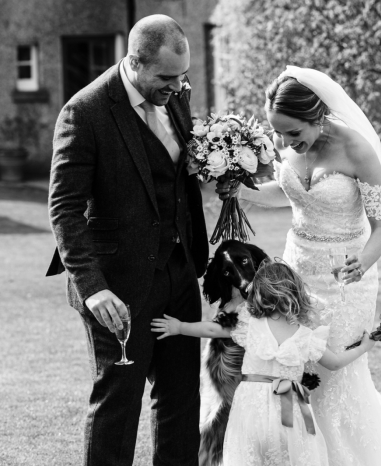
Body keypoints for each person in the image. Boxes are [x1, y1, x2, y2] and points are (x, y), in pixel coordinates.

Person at [217, 66, 381, 465]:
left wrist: (362, 262)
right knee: (292, 367)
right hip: (295, 273)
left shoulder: (357, 150)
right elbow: (288, 194)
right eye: (278, 133)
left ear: (316, 117)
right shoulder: (289, 144)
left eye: (292, 133)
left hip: (344, 278)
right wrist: (242, 191)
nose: (284, 141)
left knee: (335, 378)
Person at [46, 15, 208, 465]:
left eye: (183, 76)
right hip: (118, 286)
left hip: (178, 272)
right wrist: (92, 288)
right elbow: (64, 208)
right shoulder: (86, 112)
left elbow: (177, 180)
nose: (177, 87)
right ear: (135, 61)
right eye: (167, 77)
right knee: (119, 404)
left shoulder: (175, 96)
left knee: (181, 399)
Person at [151, 261, 376, 466]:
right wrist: (363, 347)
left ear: (258, 294)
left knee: (248, 456)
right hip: (287, 410)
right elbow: (335, 363)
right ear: (297, 295)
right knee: (285, 458)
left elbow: (213, 329)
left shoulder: (250, 324)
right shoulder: (306, 336)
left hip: (251, 407)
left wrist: (179, 327)